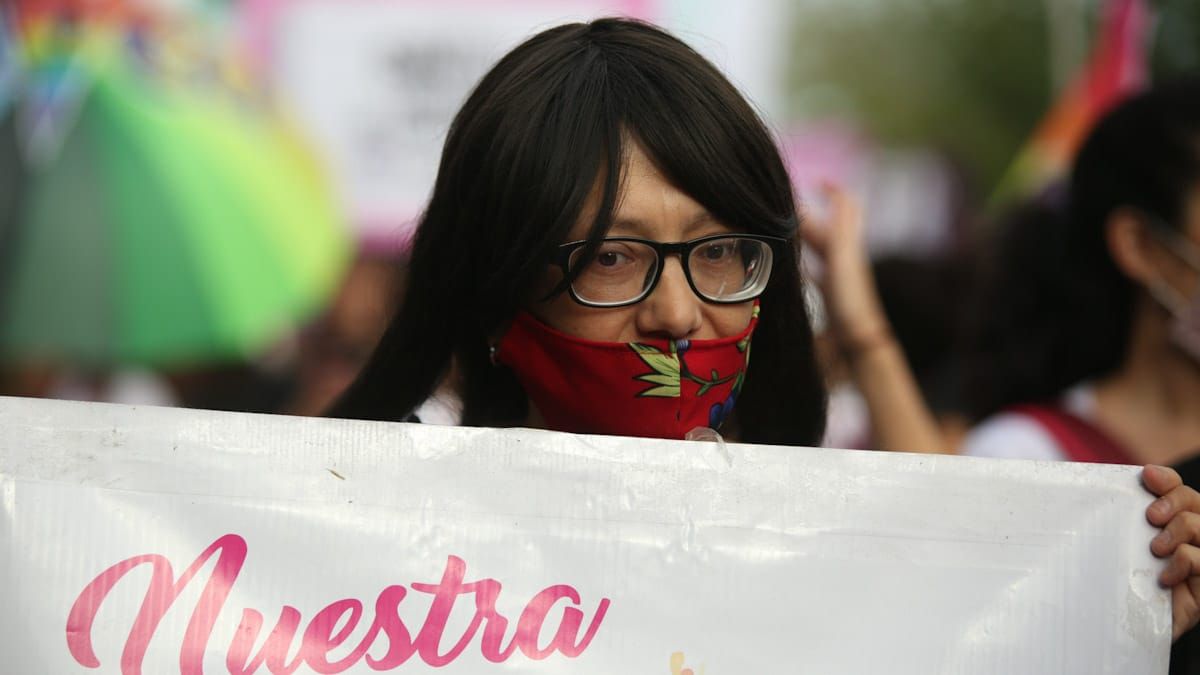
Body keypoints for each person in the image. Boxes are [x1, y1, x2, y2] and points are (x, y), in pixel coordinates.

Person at [328, 19, 1200, 642]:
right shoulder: (344, 552)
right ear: (492, 290)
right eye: (608, 258)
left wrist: (1109, 616)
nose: (676, 313)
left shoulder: (812, 549)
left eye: (722, 253)